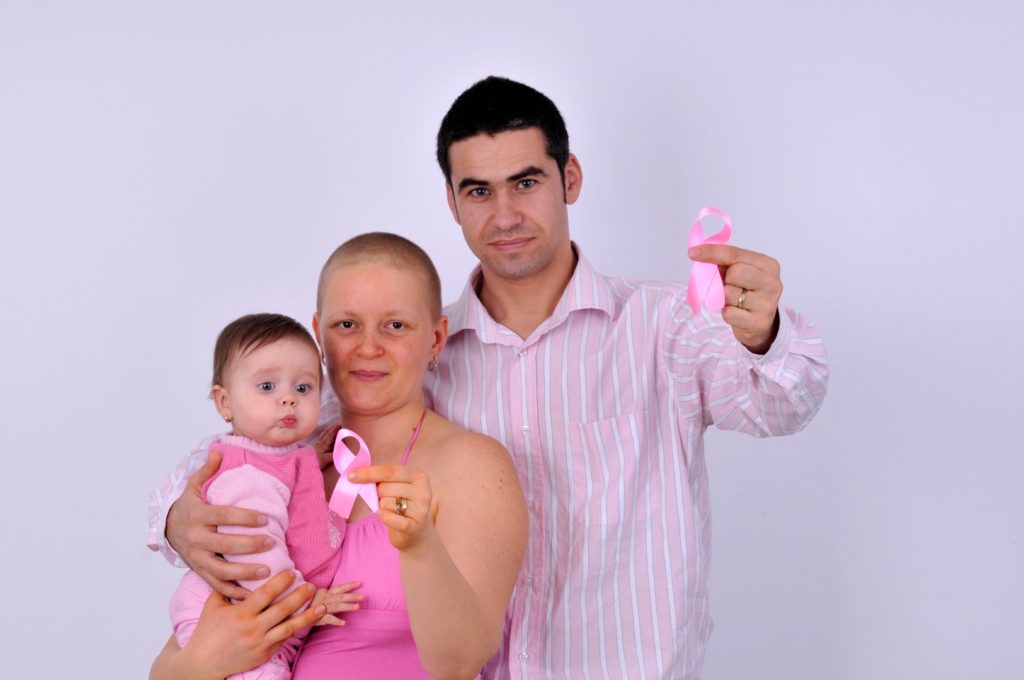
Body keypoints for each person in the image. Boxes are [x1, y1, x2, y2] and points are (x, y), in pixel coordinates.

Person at [151, 77, 829, 678]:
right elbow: (264, 435)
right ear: (451, 200)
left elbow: (780, 405)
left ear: (571, 179)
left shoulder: (659, 328)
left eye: (526, 182)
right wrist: (180, 517)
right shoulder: (402, 352)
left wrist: (761, 334)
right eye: (478, 190)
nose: (504, 215)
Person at [151, 233, 528, 679]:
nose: (368, 347)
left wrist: (419, 546)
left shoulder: (472, 465)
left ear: (436, 339)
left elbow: (461, 661)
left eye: (395, 326)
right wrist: (201, 664)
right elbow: (168, 667)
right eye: (347, 325)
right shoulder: (282, 464)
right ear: (318, 336)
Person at [165, 313, 356, 679]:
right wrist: (308, 601)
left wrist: (308, 464)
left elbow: (286, 487)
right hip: (234, 614)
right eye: (267, 387)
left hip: (261, 616)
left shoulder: (279, 459)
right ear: (224, 403)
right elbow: (256, 554)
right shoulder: (245, 476)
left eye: (303, 388)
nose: (288, 399)